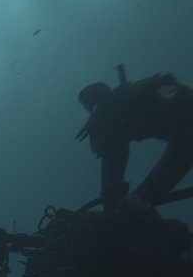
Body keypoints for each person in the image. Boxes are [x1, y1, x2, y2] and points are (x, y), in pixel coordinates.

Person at [76, 70, 193, 211]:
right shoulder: (109, 128)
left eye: (96, 101)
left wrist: (139, 198)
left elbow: (185, 130)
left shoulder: (143, 90)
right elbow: (112, 172)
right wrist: (114, 209)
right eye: (90, 105)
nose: (95, 109)